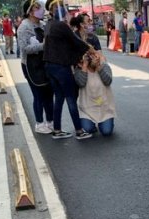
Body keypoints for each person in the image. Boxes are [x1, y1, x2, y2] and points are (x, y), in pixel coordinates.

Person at [43, 0, 94, 140]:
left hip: (50, 66)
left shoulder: (49, 25)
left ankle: (57, 130)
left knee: (59, 98)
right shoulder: (61, 25)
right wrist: (90, 49)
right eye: (59, 7)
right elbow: (75, 42)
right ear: (53, 10)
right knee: (71, 98)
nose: (62, 9)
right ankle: (79, 131)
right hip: (61, 67)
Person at [19, 0, 55, 134]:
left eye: (41, 8)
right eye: (37, 8)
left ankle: (50, 121)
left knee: (49, 94)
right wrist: (43, 46)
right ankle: (39, 123)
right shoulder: (24, 27)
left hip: (44, 63)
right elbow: (24, 48)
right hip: (31, 66)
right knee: (38, 94)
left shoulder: (43, 24)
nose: (41, 10)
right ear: (30, 11)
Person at [74, 51, 115, 136]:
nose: (91, 58)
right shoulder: (79, 69)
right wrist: (85, 66)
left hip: (104, 108)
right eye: (88, 56)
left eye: (93, 55)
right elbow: (81, 83)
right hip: (87, 109)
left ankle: (107, 122)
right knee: (87, 129)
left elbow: (108, 81)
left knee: (106, 132)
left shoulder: (104, 66)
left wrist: (98, 67)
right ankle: (92, 125)